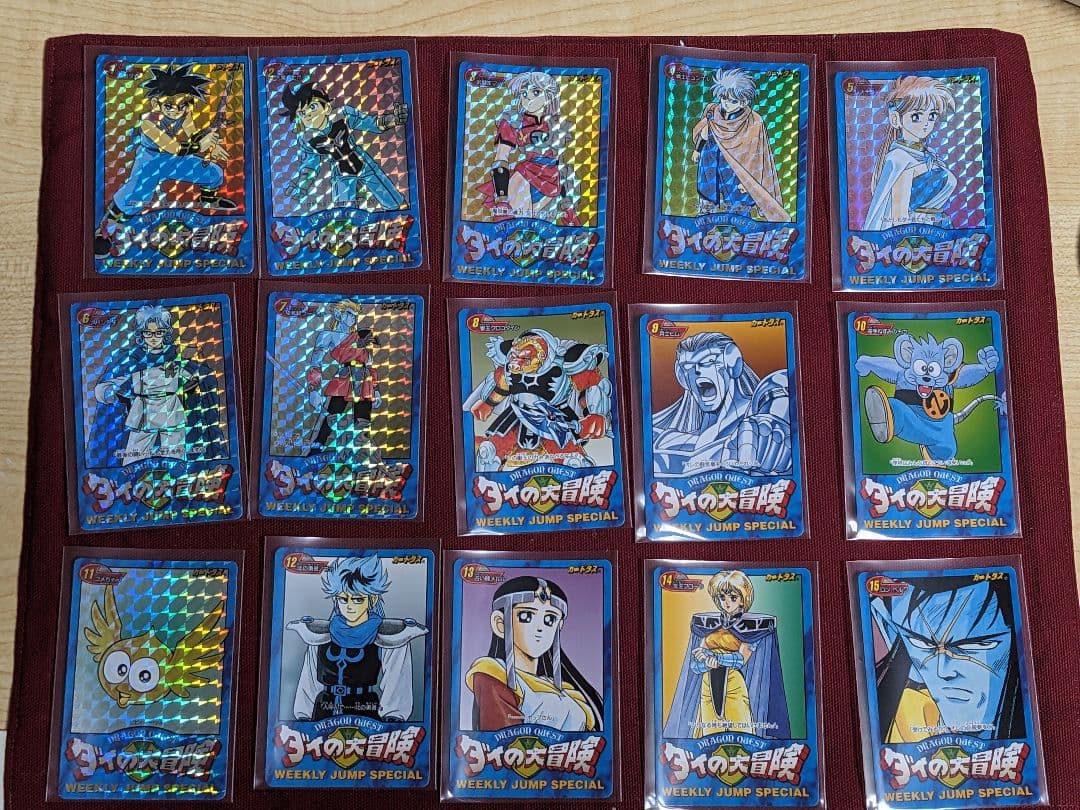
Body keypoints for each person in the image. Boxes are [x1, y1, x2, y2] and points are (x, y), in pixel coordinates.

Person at [94, 64, 236, 258]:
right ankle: (105, 230)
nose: (176, 110)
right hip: (150, 159)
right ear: (156, 103)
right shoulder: (148, 122)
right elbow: (173, 147)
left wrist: (212, 144)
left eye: (182, 104)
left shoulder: (184, 114)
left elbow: (192, 133)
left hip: (173, 159)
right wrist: (201, 146)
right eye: (169, 105)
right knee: (135, 197)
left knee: (213, 172)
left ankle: (207, 199)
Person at [870, 575, 1025, 742]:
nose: (943, 671)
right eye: (922, 643)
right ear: (889, 629)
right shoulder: (904, 718)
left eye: (975, 645)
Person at [288, 555, 426, 722]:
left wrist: (393, 717)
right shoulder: (320, 635)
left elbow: (396, 683)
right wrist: (303, 716)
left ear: (372, 599)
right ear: (335, 599)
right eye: (343, 599)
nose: (350, 606)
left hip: (366, 714)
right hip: (323, 713)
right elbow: (309, 681)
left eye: (358, 599)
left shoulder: (389, 636)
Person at [90, 305, 223, 467]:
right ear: (141, 333)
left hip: (171, 410)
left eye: (158, 332)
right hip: (143, 412)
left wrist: (193, 384)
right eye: (148, 332)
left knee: (176, 458)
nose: (153, 337)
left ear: (165, 333)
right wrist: (108, 391)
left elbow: (196, 377)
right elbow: (117, 381)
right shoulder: (132, 358)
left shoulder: (176, 356)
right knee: (133, 458)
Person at [465, 576, 603, 731]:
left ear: (559, 626)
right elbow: (502, 737)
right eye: (526, 616)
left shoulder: (567, 691)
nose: (540, 628)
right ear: (500, 624)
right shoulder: (493, 674)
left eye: (550, 619)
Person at [664, 571, 790, 740]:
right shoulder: (710, 625)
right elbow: (695, 665)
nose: (727, 602)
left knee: (741, 729)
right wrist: (706, 663)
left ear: (742, 599)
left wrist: (716, 658)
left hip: (733, 682)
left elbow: (740, 660)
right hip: (708, 683)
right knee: (710, 731)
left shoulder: (750, 627)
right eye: (722, 597)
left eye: (733, 597)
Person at [463, 329, 611, 470]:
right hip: (517, 414)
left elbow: (593, 385)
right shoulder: (510, 364)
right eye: (514, 356)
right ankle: (490, 464)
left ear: (542, 356)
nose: (516, 364)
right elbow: (503, 385)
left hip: (554, 417)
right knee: (491, 452)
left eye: (524, 358)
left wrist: (596, 414)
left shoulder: (565, 364)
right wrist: (489, 403)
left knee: (568, 454)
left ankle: (575, 465)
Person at [651, 331, 791, 477]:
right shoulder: (675, 439)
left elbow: (778, 388)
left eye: (708, 361)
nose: (696, 370)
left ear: (733, 363)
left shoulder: (756, 411)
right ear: (682, 376)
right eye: (687, 366)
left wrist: (774, 424)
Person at [280, 81, 408, 211]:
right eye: (302, 113)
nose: (308, 114)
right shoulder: (306, 138)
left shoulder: (342, 115)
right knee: (344, 212)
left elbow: (371, 123)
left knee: (395, 203)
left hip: (363, 163)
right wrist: (302, 185)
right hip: (340, 173)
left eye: (312, 107)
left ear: (326, 108)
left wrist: (394, 119)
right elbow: (310, 164)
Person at [478, 71, 579, 224]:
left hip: (552, 183)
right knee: (516, 226)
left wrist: (567, 202)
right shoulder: (513, 121)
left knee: (537, 230)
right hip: (525, 176)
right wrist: (502, 199)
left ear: (549, 96)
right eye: (524, 93)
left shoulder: (558, 125)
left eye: (536, 92)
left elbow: (561, 162)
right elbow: (501, 159)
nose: (528, 98)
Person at [690, 68, 789, 222]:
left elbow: (757, 156)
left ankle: (742, 226)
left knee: (738, 205)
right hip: (710, 160)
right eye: (724, 98)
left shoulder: (754, 121)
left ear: (744, 101)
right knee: (707, 198)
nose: (726, 103)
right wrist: (697, 150)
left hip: (735, 169)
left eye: (733, 101)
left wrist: (748, 182)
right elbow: (704, 132)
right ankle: (705, 222)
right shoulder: (712, 111)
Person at [862, 75, 958, 231]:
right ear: (896, 119)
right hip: (915, 232)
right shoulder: (899, 158)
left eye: (932, 115)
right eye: (916, 116)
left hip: (938, 227)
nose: (926, 123)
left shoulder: (929, 155)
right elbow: (898, 215)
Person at [304, 301, 382, 459]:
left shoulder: (362, 335)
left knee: (363, 423)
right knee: (330, 420)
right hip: (344, 380)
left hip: (365, 383)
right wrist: (313, 390)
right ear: (338, 314)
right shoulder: (328, 335)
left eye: (355, 316)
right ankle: (314, 454)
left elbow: (370, 364)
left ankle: (362, 459)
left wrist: (376, 390)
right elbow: (315, 363)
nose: (353, 318)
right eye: (349, 314)